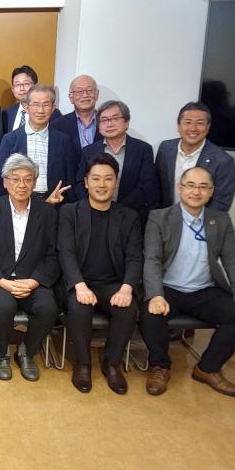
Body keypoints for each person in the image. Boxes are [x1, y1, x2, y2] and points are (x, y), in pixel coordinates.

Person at [141, 166, 235, 397]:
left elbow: (232, 260)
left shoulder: (220, 220)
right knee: (149, 314)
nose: (196, 191)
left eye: (203, 187)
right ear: (180, 187)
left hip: (204, 290)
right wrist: (155, 295)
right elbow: (152, 259)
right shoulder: (159, 217)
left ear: (211, 191)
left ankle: (207, 368)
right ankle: (159, 366)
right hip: (168, 288)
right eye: (191, 185)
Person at [58, 153, 142, 394]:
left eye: (108, 178)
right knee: (79, 307)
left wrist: (126, 288)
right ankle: (83, 364)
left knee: (128, 308)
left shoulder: (129, 217)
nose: (102, 184)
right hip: (78, 282)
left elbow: (135, 257)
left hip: (112, 284)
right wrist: (80, 285)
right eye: (95, 178)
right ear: (86, 182)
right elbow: (66, 253)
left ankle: (112, 363)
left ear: (116, 182)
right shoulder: (70, 212)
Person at [0, 153, 60, 382]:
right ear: (5, 182)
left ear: (34, 182)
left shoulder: (47, 213)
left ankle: (27, 352)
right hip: (0, 280)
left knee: (48, 308)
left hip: (33, 280)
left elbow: (53, 254)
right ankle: (2, 353)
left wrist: (33, 281)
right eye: (15, 179)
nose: (21, 185)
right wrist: (3, 281)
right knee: (4, 306)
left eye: (28, 179)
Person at [75, 100, 158, 224]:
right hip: (93, 215)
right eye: (104, 120)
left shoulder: (143, 149)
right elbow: (80, 183)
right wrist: (95, 206)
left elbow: (146, 186)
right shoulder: (89, 151)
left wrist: (118, 210)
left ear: (127, 122)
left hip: (129, 216)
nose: (109, 124)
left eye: (115, 119)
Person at [0, 84, 76, 203]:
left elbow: (70, 178)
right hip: (18, 201)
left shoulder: (63, 140)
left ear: (53, 108)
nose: (41, 110)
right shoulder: (9, 139)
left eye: (46, 105)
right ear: (26, 107)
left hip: (55, 202)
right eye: (36, 104)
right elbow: (0, 177)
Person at [155, 102, 235, 212]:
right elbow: (157, 187)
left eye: (200, 123)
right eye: (188, 122)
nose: (193, 128)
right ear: (178, 126)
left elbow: (221, 204)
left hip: (201, 221)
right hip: (166, 218)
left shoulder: (223, 161)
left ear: (208, 127)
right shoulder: (165, 148)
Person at [49, 74, 102, 156]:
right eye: (79, 91)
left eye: (90, 90)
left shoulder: (107, 122)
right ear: (71, 98)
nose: (85, 95)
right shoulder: (57, 125)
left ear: (97, 94)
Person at [1, 65, 62, 132]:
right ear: (13, 89)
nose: (22, 88)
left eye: (26, 83)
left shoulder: (52, 113)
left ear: (35, 86)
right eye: (17, 84)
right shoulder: (6, 113)